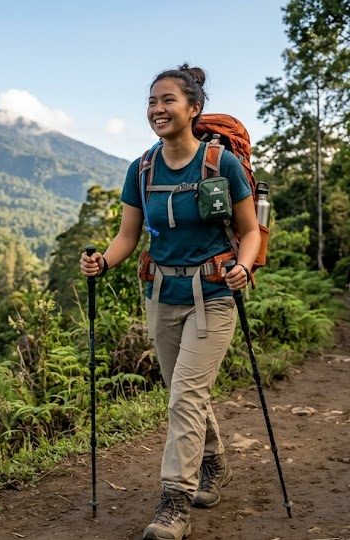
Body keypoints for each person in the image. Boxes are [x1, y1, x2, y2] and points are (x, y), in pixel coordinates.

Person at [79, 64, 260, 540]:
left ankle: (173, 503)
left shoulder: (222, 165)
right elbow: (126, 236)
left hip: (215, 294)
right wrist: (105, 261)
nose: (158, 109)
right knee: (185, 391)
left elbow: (249, 233)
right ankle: (214, 462)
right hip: (161, 294)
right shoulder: (140, 169)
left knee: (185, 394)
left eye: (168, 101)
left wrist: (243, 265)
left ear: (193, 108)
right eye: (152, 102)